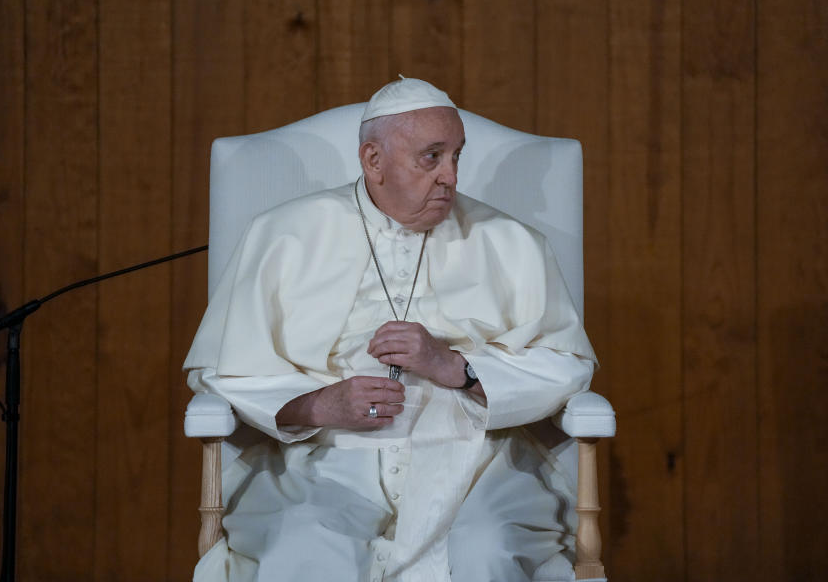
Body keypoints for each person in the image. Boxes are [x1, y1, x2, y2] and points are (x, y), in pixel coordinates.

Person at [184, 77, 598, 582]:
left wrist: (456, 368)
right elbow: (225, 371)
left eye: (456, 157)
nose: (450, 177)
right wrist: (318, 405)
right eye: (432, 157)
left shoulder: (511, 242)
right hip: (323, 461)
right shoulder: (284, 234)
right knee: (301, 553)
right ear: (373, 160)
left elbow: (569, 364)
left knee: (487, 553)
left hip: (480, 466)